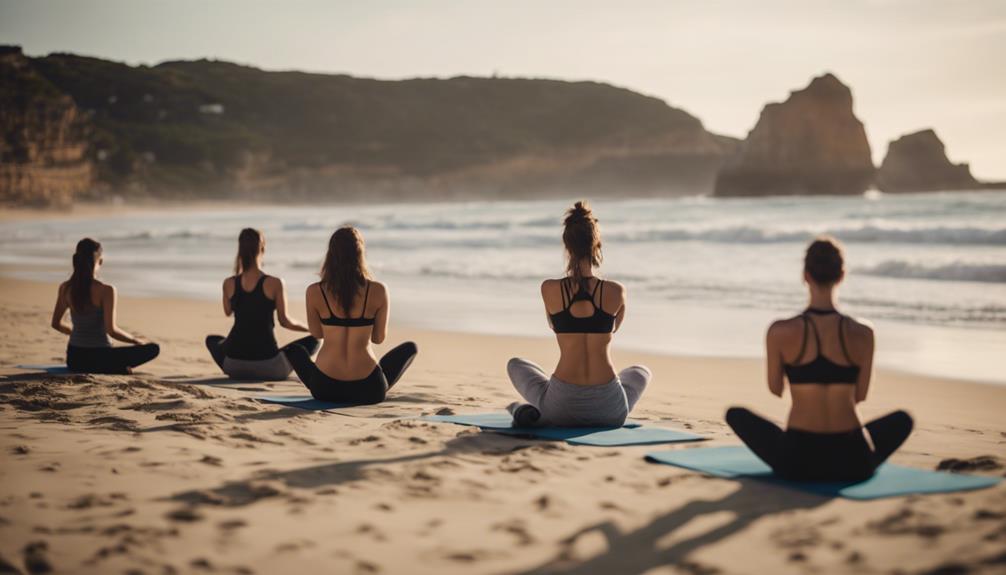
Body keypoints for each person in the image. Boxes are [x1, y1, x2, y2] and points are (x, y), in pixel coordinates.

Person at [726, 237, 913, 482]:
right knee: (902, 420)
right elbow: (860, 396)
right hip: (854, 462)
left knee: (736, 415)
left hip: (797, 460)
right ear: (842, 275)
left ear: (805, 275)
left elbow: (775, 389)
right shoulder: (864, 333)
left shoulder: (780, 331)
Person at [506, 201, 650, 427]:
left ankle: (520, 410)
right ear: (597, 245)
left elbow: (553, 326)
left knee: (515, 364)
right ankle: (525, 410)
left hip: (560, 408)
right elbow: (614, 328)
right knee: (641, 372)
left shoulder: (549, 289)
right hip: (611, 411)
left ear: (567, 246)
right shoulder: (616, 291)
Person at [286, 226, 417, 404]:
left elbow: (317, 334)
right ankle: (380, 382)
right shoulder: (378, 290)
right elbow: (378, 339)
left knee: (293, 351)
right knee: (410, 348)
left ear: (331, 254)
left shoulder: (315, 291)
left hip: (324, 387)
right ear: (360, 253)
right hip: (369, 389)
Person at [205, 228, 318, 380]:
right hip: (270, 368)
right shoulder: (275, 283)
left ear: (240, 250)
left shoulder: (229, 283)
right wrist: (310, 329)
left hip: (233, 366)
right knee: (315, 339)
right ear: (263, 248)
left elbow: (227, 312)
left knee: (212, 340)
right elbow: (284, 321)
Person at [50, 238, 160, 374]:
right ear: (100, 261)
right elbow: (111, 330)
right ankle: (115, 368)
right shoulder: (106, 290)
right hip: (102, 357)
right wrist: (135, 340)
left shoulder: (65, 287)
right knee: (153, 348)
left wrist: (78, 333)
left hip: (75, 359)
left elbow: (56, 323)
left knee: (109, 360)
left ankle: (116, 368)